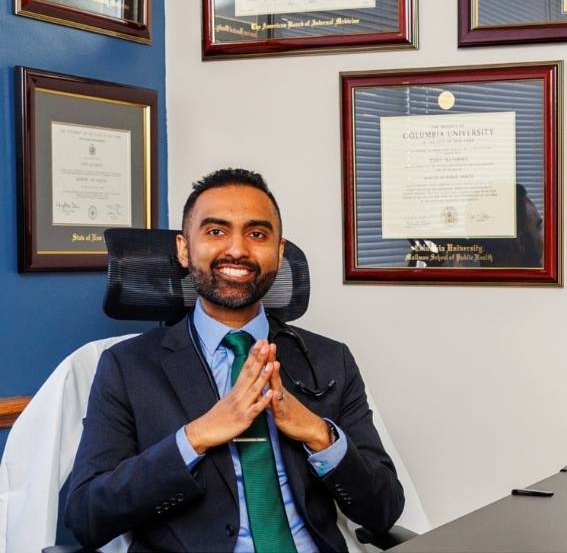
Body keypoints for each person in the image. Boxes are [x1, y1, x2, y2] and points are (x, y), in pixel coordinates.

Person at [65, 167, 404, 553]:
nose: (238, 250)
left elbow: (384, 510)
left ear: (279, 252)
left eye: (257, 234)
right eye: (215, 231)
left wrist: (317, 434)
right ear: (184, 249)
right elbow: (87, 516)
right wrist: (195, 437)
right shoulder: (127, 367)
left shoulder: (330, 360)